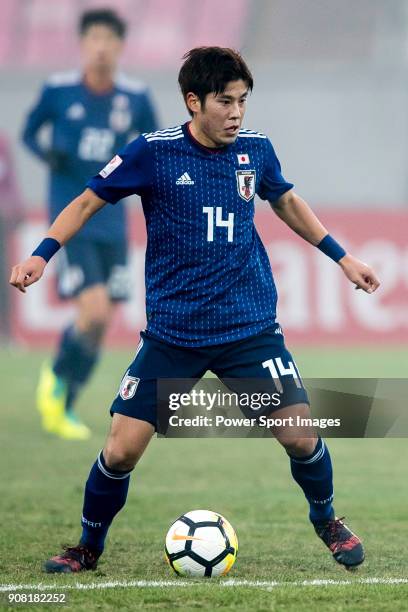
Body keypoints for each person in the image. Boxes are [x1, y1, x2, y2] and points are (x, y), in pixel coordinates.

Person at [11, 47, 380, 573]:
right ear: (193, 101)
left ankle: (327, 519)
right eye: (224, 101)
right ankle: (87, 548)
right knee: (119, 451)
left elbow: (287, 201)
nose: (236, 113)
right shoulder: (152, 153)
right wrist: (41, 253)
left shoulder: (256, 149)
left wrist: (342, 258)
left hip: (248, 327)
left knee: (301, 434)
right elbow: (88, 199)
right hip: (173, 334)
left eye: (243, 101)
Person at [21, 9, 158, 440]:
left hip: (114, 223)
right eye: (93, 38)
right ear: (83, 43)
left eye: (109, 39)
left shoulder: (134, 97)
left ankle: (66, 401)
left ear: (120, 46)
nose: (101, 47)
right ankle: (56, 379)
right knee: (94, 310)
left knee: (101, 322)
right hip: (72, 217)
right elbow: (29, 132)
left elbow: (155, 148)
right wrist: (49, 156)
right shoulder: (58, 91)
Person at [0, 133, 25, 343]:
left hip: (0, 219)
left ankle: (6, 332)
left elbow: (9, 182)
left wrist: (16, 207)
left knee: (2, 277)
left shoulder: (2, 142)